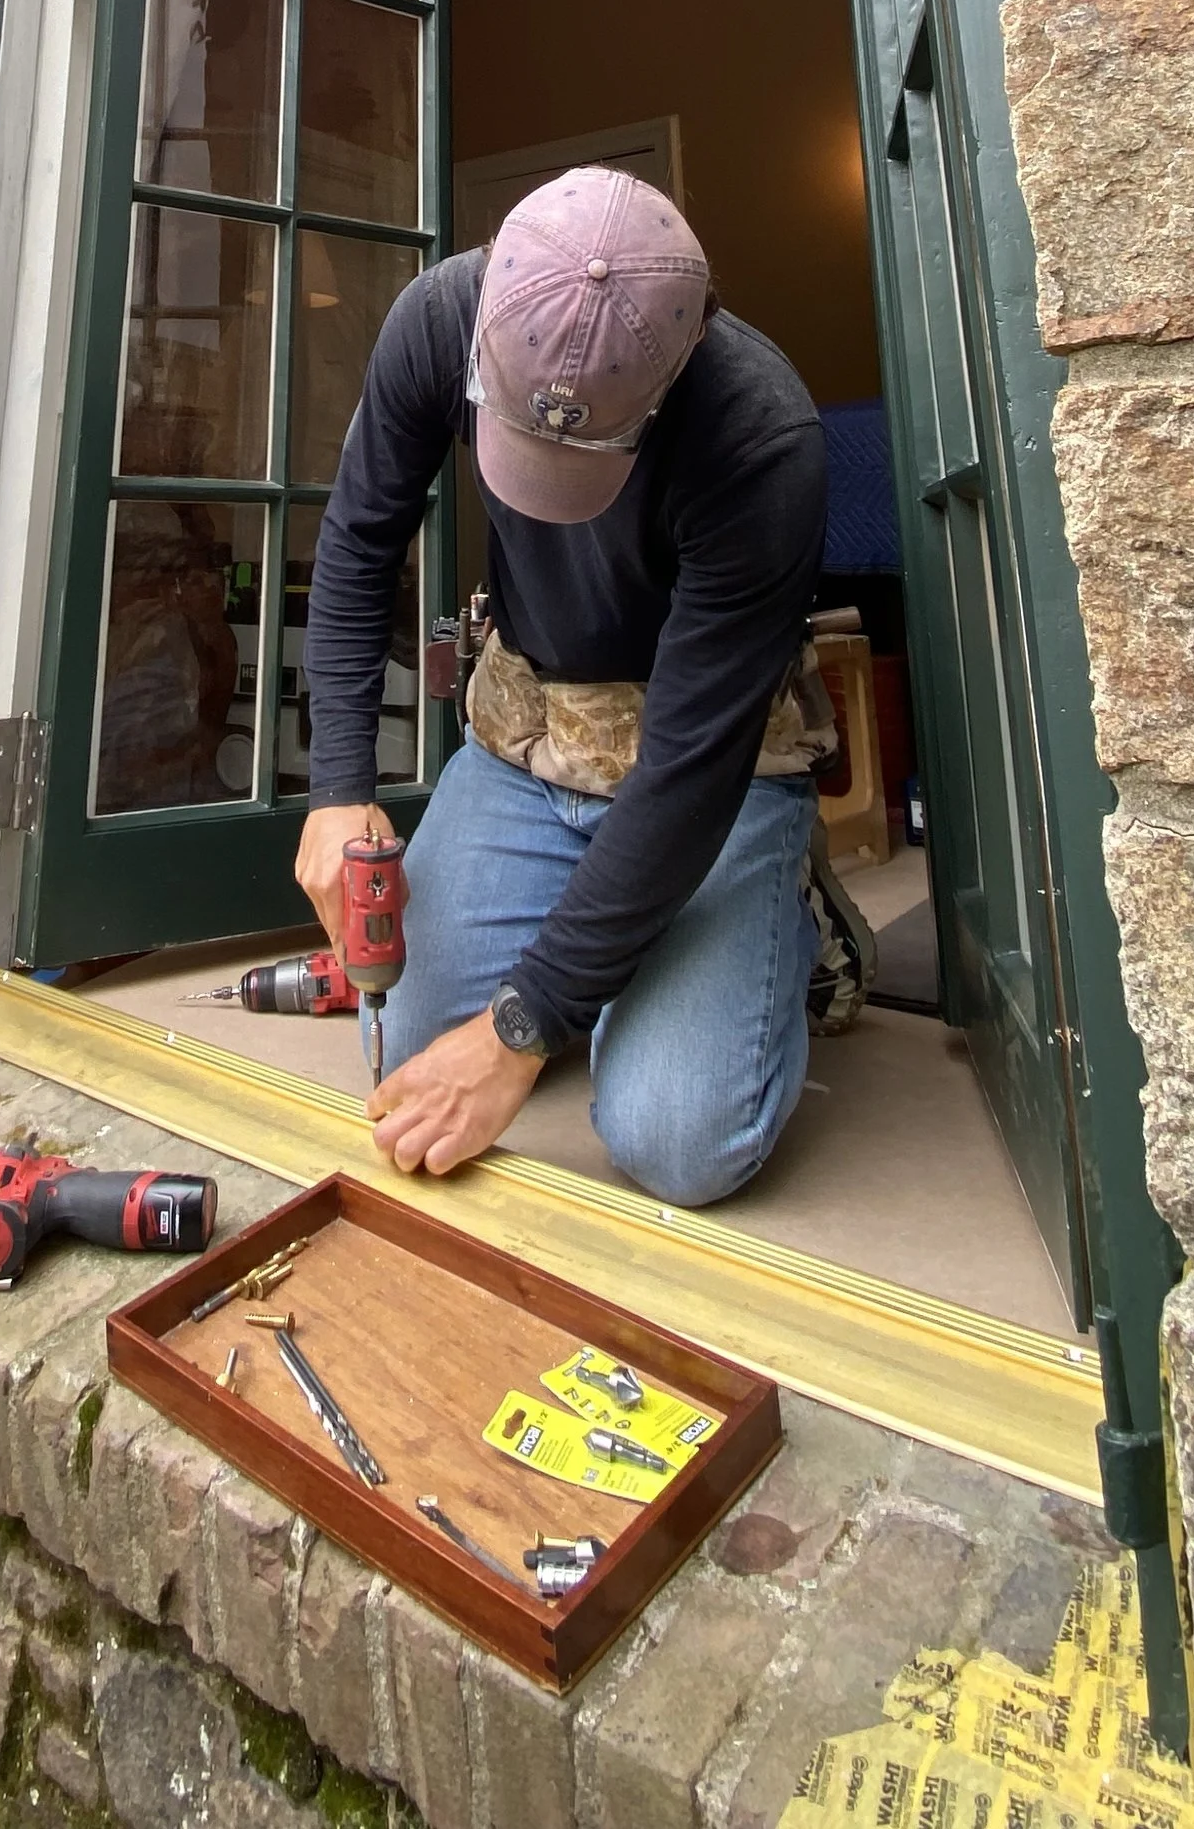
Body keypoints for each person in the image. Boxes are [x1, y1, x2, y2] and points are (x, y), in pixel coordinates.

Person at [295, 166, 835, 1206]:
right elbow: (361, 543)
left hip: (714, 777)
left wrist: (520, 1029)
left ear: (679, 368)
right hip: (530, 741)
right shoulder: (440, 316)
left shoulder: (762, 441)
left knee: (676, 1143)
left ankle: (786, 914)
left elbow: (685, 771)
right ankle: (623, 957)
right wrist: (335, 788)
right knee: (411, 1030)